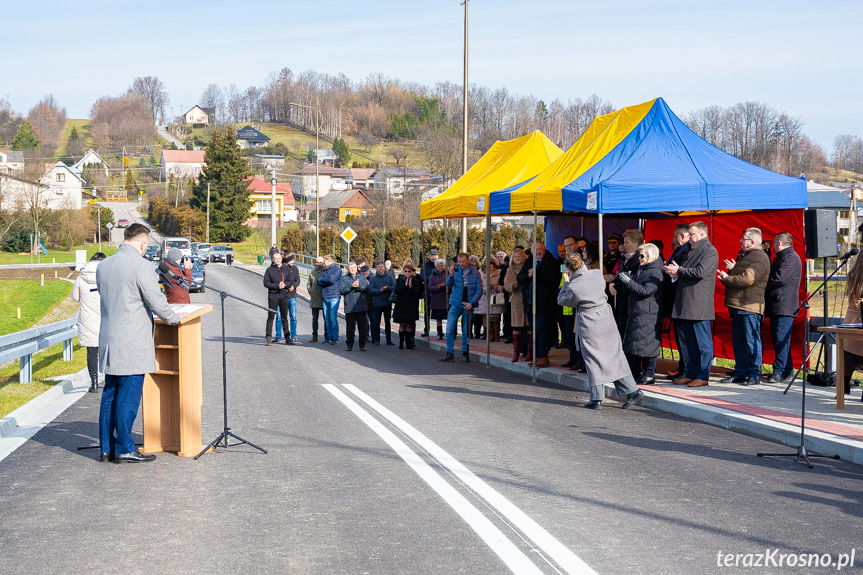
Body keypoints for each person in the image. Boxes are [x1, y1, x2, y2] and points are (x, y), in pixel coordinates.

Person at [97, 223, 180, 463]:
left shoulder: (104, 265)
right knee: (128, 397)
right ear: (143, 243)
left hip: (109, 340)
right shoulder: (141, 266)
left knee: (110, 395)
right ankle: (124, 447)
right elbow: (156, 301)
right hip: (131, 341)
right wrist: (174, 319)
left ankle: (106, 448)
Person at [557, 253, 644, 409]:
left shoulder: (574, 286)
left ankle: (596, 398)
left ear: (569, 269)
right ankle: (632, 391)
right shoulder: (597, 274)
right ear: (582, 262)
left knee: (593, 358)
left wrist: (566, 282)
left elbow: (562, 300)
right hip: (606, 318)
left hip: (589, 322)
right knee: (614, 356)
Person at [663, 221, 719, 388]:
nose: (689, 237)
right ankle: (690, 373)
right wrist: (674, 272)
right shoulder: (689, 249)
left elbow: (701, 272)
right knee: (690, 343)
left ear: (702, 234)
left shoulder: (709, 251)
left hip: (698, 304)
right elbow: (685, 271)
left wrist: (679, 271)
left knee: (702, 344)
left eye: (692, 234)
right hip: (685, 302)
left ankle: (702, 375)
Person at [717, 228, 770, 385]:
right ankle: (740, 371)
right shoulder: (746, 255)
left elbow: (747, 279)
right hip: (739, 305)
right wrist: (732, 272)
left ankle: (754, 374)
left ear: (752, 242)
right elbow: (742, 277)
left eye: (744, 239)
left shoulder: (759, 257)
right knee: (739, 342)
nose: (741, 241)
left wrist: (727, 278)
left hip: (749, 306)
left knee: (751, 341)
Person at [618, 243, 663, 384]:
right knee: (634, 343)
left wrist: (629, 282)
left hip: (648, 312)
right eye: (639, 256)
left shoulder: (655, 271)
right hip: (637, 310)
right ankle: (635, 372)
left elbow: (646, 291)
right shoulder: (641, 269)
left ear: (651, 256)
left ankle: (649, 373)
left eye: (642, 256)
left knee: (647, 343)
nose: (640, 258)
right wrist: (627, 280)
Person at [764, 232, 801, 383]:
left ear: (779, 243)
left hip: (784, 305)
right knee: (780, 340)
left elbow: (779, 278)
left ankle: (779, 371)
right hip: (779, 304)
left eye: (774, 243)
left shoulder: (790, 257)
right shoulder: (784, 257)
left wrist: (763, 284)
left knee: (781, 340)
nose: (773, 246)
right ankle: (787, 370)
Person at [518, 241, 561, 368]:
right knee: (534, 330)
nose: (538, 251)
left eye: (540, 249)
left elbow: (554, 279)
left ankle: (543, 356)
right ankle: (537, 356)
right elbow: (520, 278)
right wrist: (528, 275)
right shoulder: (528, 262)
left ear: (544, 249)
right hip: (530, 302)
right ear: (531, 251)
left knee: (541, 329)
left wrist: (538, 274)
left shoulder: (551, 262)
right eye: (535, 249)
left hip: (545, 303)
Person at [72, 252, 106, 393]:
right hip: (105, 318)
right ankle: (110, 381)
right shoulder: (107, 275)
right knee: (108, 351)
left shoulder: (81, 277)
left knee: (91, 352)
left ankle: (94, 382)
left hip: (88, 319)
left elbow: (75, 297)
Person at [661, 224, 691, 380]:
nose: (673, 239)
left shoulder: (686, 250)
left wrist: (671, 271)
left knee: (683, 336)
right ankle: (683, 367)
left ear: (682, 236)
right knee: (680, 335)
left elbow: (681, 271)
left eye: (675, 236)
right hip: (674, 298)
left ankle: (685, 369)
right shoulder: (679, 250)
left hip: (679, 298)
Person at [440, 253, 483, 362]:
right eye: (459, 261)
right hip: (456, 303)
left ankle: (465, 352)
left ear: (468, 260)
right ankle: (449, 353)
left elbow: (479, 290)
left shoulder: (475, 272)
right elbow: (448, 284)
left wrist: (471, 303)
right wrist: (451, 275)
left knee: (466, 330)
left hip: (468, 304)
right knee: (449, 329)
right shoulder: (455, 270)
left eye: (463, 261)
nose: (461, 264)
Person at [609, 229, 644, 336]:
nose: (624, 245)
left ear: (636, 243)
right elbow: (621, 275)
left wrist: (616, 285)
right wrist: (613, 283)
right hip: (622, 300)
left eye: (627, 242)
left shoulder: (639, 259)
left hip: (630, 301)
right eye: (624, 242)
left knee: (625, 330)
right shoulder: (626, 257)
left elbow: (630, 278)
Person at [504, 247, 531, 363]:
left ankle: (530, 352)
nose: (517, 258)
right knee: (516, 327)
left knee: (529, 327)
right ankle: (516, 353)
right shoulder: (510, 269)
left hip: (528, 298)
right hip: (516, 300)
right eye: (515, 257)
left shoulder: (528, 267)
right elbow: (506, 284)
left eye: (519, 256)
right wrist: (514, 285)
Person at [263, 252, 295, 345]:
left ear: (281, 259)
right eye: (275, 259)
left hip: (284, 295)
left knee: (284, 317)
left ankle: (287, 338)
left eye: (279, 258)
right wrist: (277, 286)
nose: (277, 260)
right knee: (271, 317)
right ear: (273, 260)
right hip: (273, 296)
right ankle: (268, 337)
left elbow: (290, 281)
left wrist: (285, 285)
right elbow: (266, 283)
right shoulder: (269, 270)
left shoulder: (286, 269)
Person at [393, 261, 424, 349]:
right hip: (401, 305)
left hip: (411, 305)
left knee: (409, 325)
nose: (407, 273)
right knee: (402, 325)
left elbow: (417, 293)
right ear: (403, 271)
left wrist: (411, 287)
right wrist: (405, 286)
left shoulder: (415, 281)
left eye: (409, 271)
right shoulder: (399, 279)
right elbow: (396, 291)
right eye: (405, 271)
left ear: (412, 272)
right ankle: (401, 343)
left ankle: (408, 343)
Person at [339, 261, 369, 351]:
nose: (353, 269)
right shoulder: (343, 278)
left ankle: (362, 345)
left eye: (354, 267)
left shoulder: (361, 277)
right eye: (351, 268)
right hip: (350, 306)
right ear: (348, 269)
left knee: (362, 327)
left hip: (361, 306)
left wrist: (358, 287)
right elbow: (342, 290)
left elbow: (366, 288)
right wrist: (351, 286)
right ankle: (349, 345)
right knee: (350, 328)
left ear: (357, 268)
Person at [368, 261, 396, 345]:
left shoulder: (389, 277)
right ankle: (376, 339)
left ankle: (388, 340)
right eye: (379, 267)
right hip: (377, 304)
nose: (380, 268)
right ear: (376, 268)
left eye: (382, 266)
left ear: (384, 267)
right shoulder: (373, 278)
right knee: (376, 323)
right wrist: (380, 290)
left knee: (388, 323)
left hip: (387, 303)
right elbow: (370, 290)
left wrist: (388, 288)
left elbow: (394, 287)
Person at [317, 254, 342, 345]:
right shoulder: (324, 270)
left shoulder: (337, 270)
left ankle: (335, 337)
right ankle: (329, 337)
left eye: (325, 261)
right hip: (325, 296)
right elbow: (318, 282)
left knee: (332, 317)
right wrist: (326, 280)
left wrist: (323, 279)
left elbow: (332, 280)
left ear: (329, 261)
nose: (323, 263)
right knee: (327, 318)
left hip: (334, 296)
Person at [307, 256, 328, 343]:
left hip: (324, 298)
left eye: (320, 262)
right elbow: (309, 283)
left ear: (323, 263)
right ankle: (314, 336)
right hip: (314, 298)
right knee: (314, 319)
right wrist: (310, 291)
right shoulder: (312, 272)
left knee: (326, 319)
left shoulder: (326, 272)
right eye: (317, 262)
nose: (318, 264)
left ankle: (327, 337)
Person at [427, 258, 449, 340]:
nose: (440, 267)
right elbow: (430, 287)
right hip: (436, 299)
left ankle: (450, 332)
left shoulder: (447, 274)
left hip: (445, 298)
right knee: (438, 317)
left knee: (449, 317)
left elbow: (450, 284)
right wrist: (438, 287)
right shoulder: (433, 275)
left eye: (442, 266)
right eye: (439, 266)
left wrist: (445, 286)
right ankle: (439, 332)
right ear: (436, 266)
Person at [421, 247, 440, 337]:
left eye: (435, 255)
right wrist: (433, 277)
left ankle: (439, 331)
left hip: (438, 292)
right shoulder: (425, 265)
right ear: (428, 256)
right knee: (427, 311)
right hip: (428, 291)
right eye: (432, 255)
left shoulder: (440, 265)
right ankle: (426, 330)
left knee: (438, 311)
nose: (433, 257)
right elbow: (422, 277)